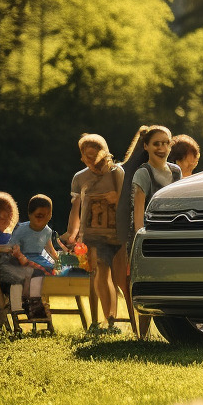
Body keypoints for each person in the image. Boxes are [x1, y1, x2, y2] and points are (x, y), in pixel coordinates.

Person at [67, 133, 124, 326]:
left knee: (114, 276)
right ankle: (99, 321)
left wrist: (117, 198)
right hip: (91, 235)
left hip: (116, 235)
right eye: (87, 156)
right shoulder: (80, 178)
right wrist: (72, 233)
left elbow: (129, 202)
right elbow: (76, 208)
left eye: (95, 155)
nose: (91, 160)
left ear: (105, 153)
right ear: (82, 156)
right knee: (97, 272)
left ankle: (111, 319)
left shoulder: (117, 173)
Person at [6, 194, 60, 320]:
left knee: (47, 268)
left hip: (38, 257)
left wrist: (57, 260)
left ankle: (35, 299)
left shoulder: (47, 230)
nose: (44, 219)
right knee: (35, 271)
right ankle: (31, 301)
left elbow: (49, 247)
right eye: (39, 216)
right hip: (22, 257)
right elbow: (12, 246)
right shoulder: (22, 229)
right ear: (30, 215)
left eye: (48, 215)